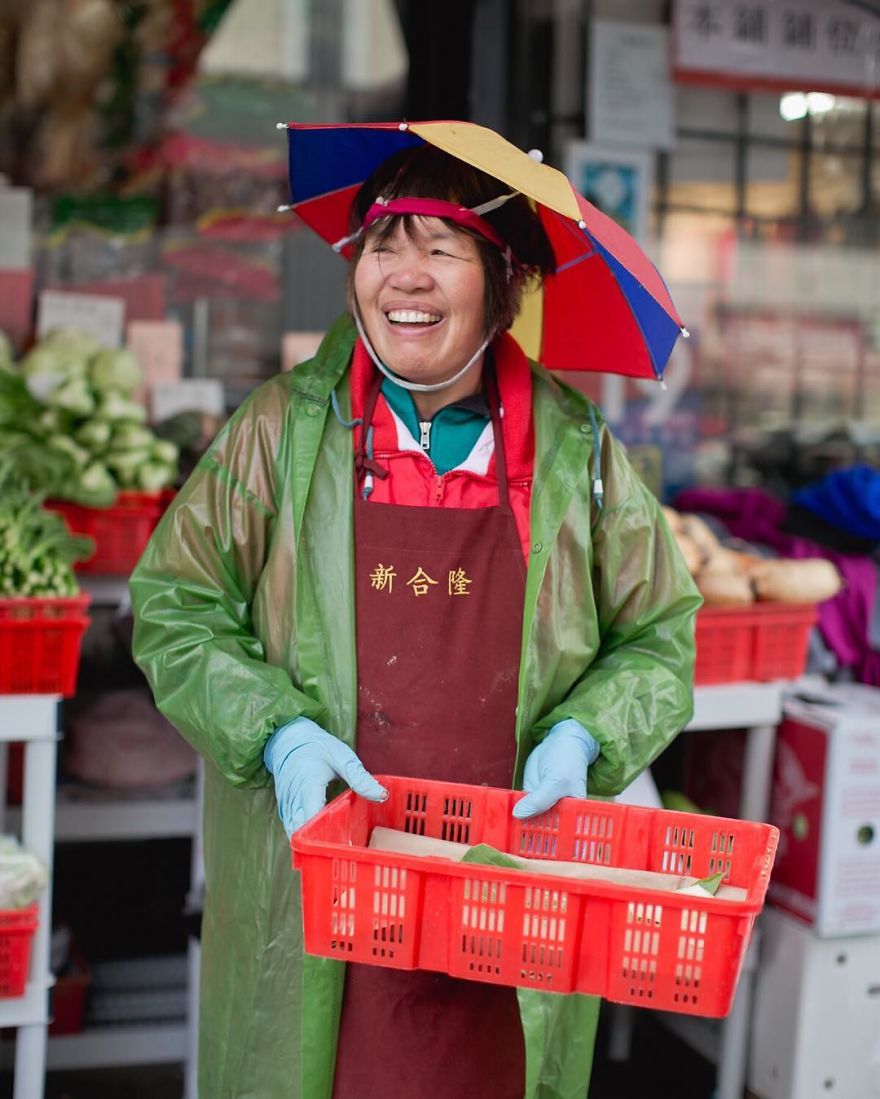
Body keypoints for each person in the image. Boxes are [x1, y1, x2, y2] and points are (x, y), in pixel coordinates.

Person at [130, 141, 701, 1099]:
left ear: (505, 283)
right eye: (383, 245)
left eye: (441, 248)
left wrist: (584, 734)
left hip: (509, 899)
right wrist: (275, 730)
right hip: (317, 894)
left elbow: (659, 633)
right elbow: (174, 603)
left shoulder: (578, 453)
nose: (405, 275)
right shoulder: (280, 429)